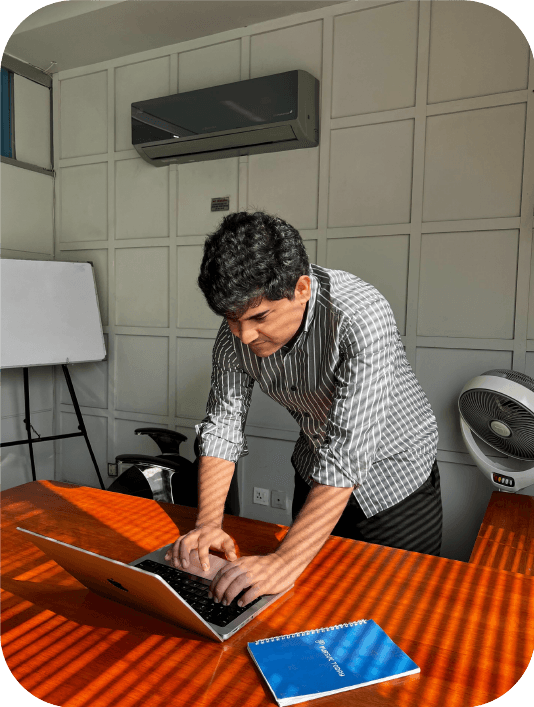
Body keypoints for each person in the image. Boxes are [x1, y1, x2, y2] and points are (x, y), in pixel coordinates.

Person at [166, 211, 441, 609]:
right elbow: (223, 425)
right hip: (316, 469)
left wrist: (285, 560)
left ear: (301, 288)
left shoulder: (360, 315)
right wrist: (208, 524)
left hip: (396, 479)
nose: (244, 335)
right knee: (306, 605)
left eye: (260, 317)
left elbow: (348, 450)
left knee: (397, 609)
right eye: (231, 319)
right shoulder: (237, 330)